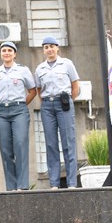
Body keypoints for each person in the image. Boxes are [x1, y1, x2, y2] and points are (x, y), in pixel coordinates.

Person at [0, 41, 37, 191]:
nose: (7, 53)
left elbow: (32, 90)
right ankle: (11, 186)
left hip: (19, 111)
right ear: (1, 54)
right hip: (2, 113)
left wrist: (22, 104)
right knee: (5, 150)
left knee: (20, 145)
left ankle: (22, 186)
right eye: (4, 50)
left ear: (15, 54)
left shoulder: (23, 70)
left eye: (10, 50)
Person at [34, 36, 80, 189]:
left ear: (57, 48)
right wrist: (49, 102)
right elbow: (39, 90)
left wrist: (68, 100)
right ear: (43, 50)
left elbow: (75, 86)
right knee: (51, 144)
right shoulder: (40, 69)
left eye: (52, 46)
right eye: (46, 47)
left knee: (68, 143)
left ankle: (71, 182)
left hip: (64, 103)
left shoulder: (67, 64)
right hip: (47, 105)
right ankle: (54, 183)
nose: (49, 49)